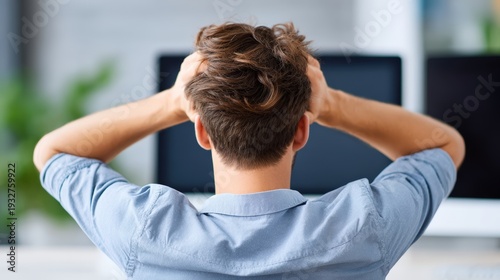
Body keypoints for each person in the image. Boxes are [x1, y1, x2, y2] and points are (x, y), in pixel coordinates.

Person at [34, 22, 465, 279]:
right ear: (301, 132)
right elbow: (446, 144)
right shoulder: (363, 227)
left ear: (202, 133)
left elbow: (52, 152)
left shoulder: (145, 230)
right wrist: (332, 105)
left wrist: (170, 101)